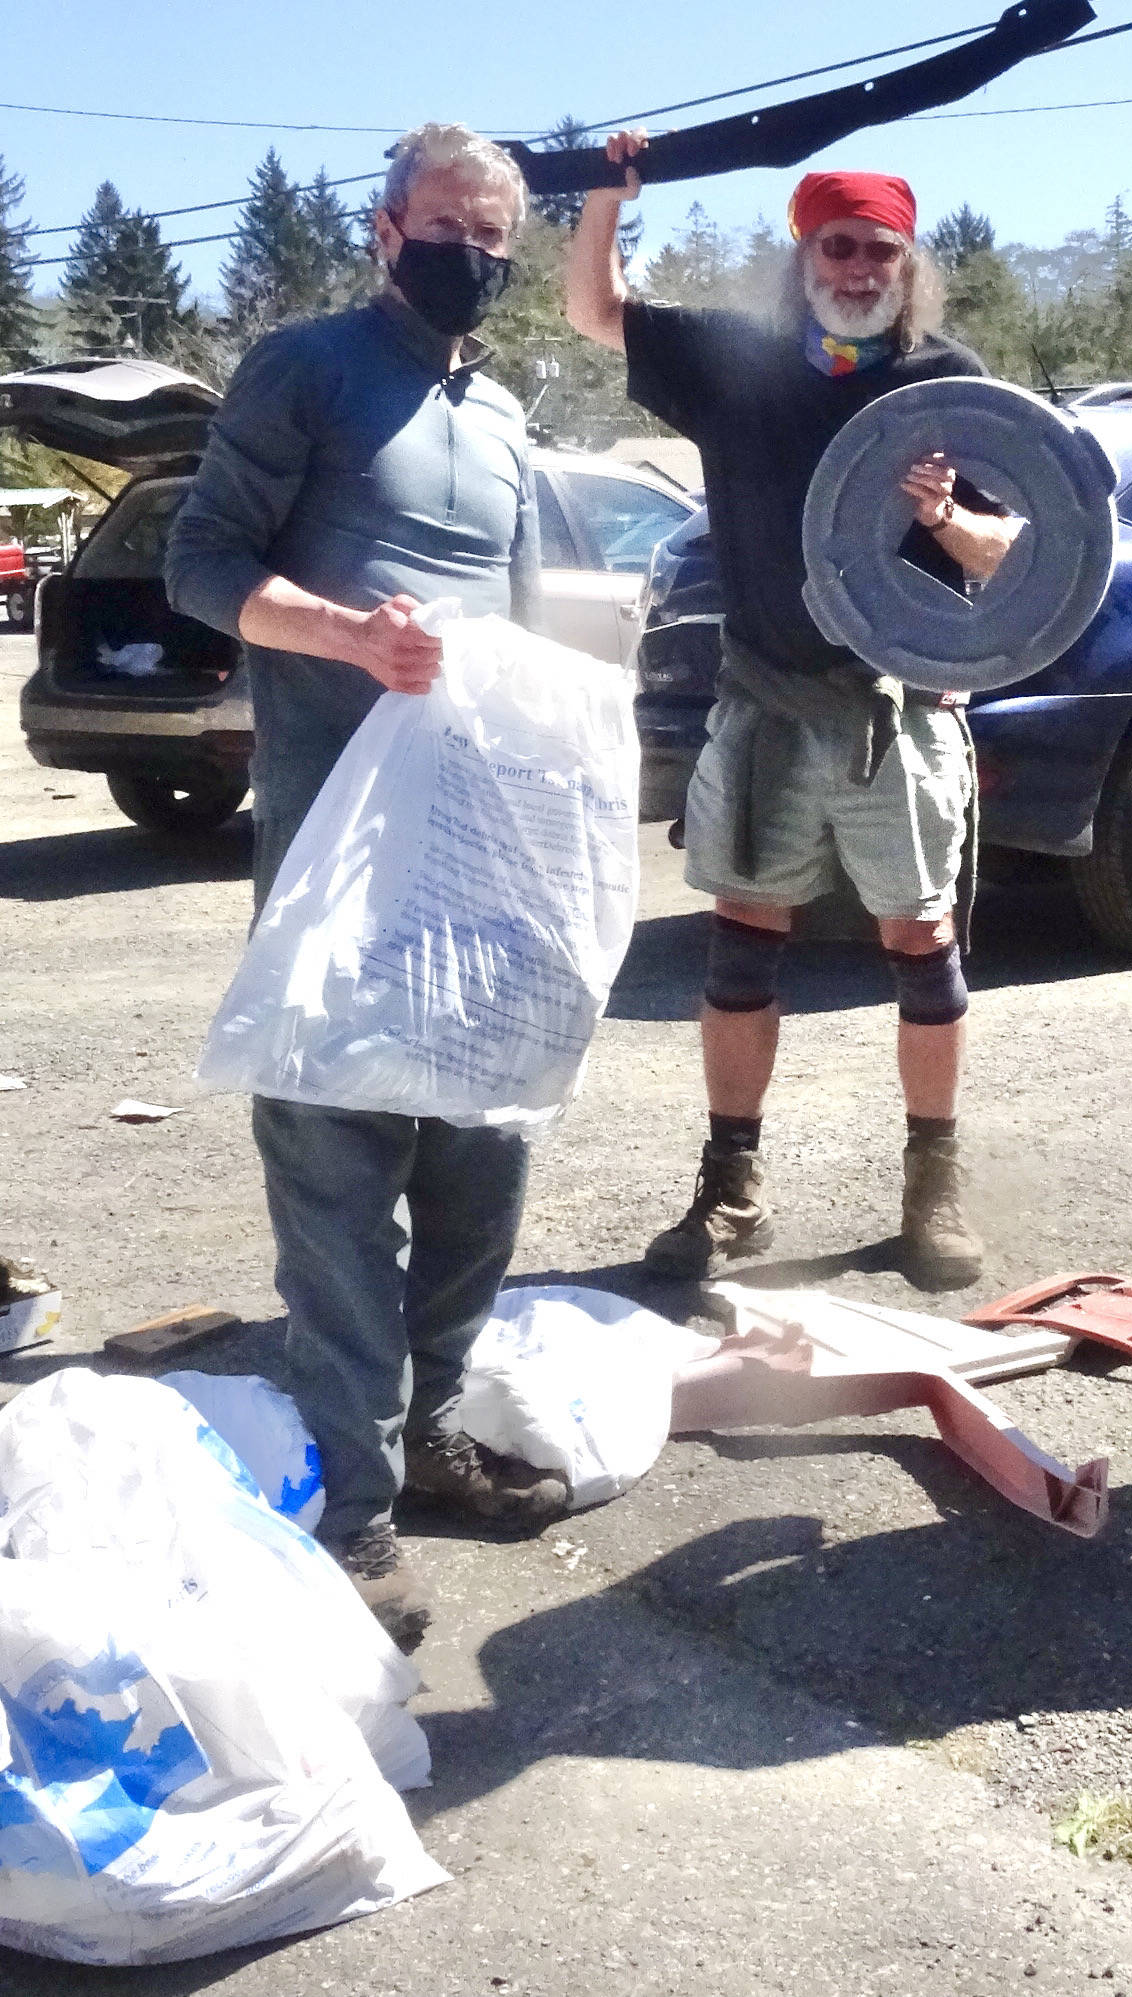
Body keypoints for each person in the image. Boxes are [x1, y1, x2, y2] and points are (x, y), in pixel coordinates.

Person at [167, 123, 565, 1651]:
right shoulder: (308, 367)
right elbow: (205, 568)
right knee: (339, 1180)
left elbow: (528, 630)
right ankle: (355, 1506)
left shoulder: (507, 414)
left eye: (502, 238)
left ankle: (430, 1433)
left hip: (479, 859)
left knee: (480, 1160)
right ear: (390, 228)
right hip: (337, 854)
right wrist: (347, 636)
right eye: (454, 225)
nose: (479, 255)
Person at [567, 133, 1019, 1289]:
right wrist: (608, 201)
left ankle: (933, 1184)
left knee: (921, 942)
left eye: (879, 249)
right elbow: (593, 309)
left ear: (907, 262)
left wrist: (944, 520)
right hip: (763, 699)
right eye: (838, 244)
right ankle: (732, 1186)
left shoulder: (946, 381)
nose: (858, 267)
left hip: (896, 706)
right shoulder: (732, 359)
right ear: (802, 250)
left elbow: (1008, 548)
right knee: (741, 941)